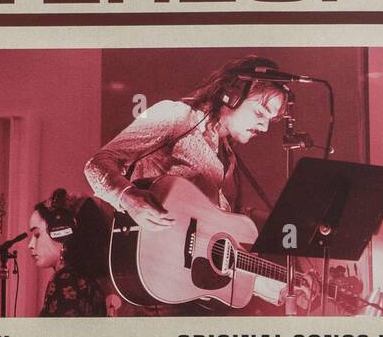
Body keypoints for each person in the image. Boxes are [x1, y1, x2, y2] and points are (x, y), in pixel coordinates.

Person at [84, 55, 290, 232]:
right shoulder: (175, 114)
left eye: (269, 120)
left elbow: (224, 219)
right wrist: (127, 197)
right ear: (231, 95)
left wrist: (280, 224)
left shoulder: (229, 157)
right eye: (260, 113)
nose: (264, 128)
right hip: (151, 254)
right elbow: (97, 163)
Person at [27, 189, 111, 318]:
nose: (31, 245)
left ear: (62, 233)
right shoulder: (84, 280)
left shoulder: (65, 281)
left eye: (37, 234)